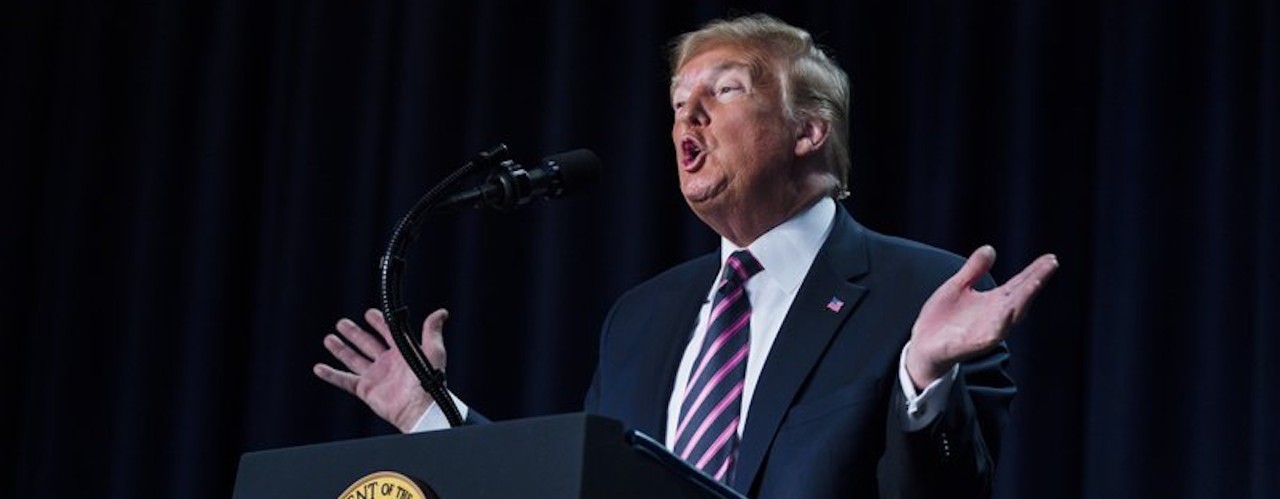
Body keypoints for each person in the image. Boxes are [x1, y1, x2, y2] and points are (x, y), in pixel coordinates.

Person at [314, 13, 1058, 499]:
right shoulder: (642, 316)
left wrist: (923, 381)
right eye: (677, 101)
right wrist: (429, 414)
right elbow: (583, 485)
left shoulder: (922, 292)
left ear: (809, 131)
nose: (687, 116)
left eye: (725, 89)